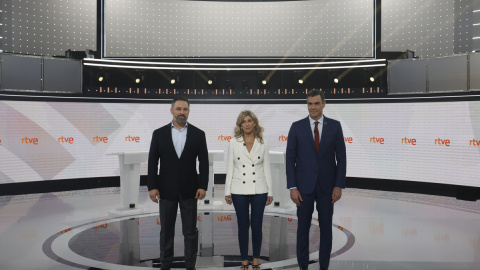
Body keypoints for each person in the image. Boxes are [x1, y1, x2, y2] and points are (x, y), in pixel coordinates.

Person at [286, 89, 346, 270]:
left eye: (316, 103)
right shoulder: (296, 126)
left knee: (326, 230)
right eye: (310, 104)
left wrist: (338, 185)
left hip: (328, 188)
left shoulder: (335, 126)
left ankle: (324, 267)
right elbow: (290, 159)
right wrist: (292, 186)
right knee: (302, 229)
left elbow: (341, 158)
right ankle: (302, 266)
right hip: (303, 188)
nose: (312, 107)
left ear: (324, 104)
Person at [147, 96, 209, 270]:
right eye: (179, 109)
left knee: (190, 232)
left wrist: (203, 185)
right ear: (172, 110)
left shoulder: (199, 134)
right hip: (166, 191)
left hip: (190, 190)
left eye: (185, 109)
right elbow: (153, 162)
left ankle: (191, 266)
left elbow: (203, 163)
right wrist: (152, 186)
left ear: (189, 111)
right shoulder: (159, 134)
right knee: (166, 231)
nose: (182, 112)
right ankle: (165, 265)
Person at [224, 110, 273, 270]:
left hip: (259, 188)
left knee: (257, 225)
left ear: (254, 123)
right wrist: (227, 191)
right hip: (238, 189)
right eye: (243, 121)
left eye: (249, 120)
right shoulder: (233, 142)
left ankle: (256, 260)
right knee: (243, 225)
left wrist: (270, 191)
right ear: (240, 125)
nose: (247, 124)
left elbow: (267, 168)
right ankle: (244, 261)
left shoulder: (263, 142)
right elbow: (230, 167)